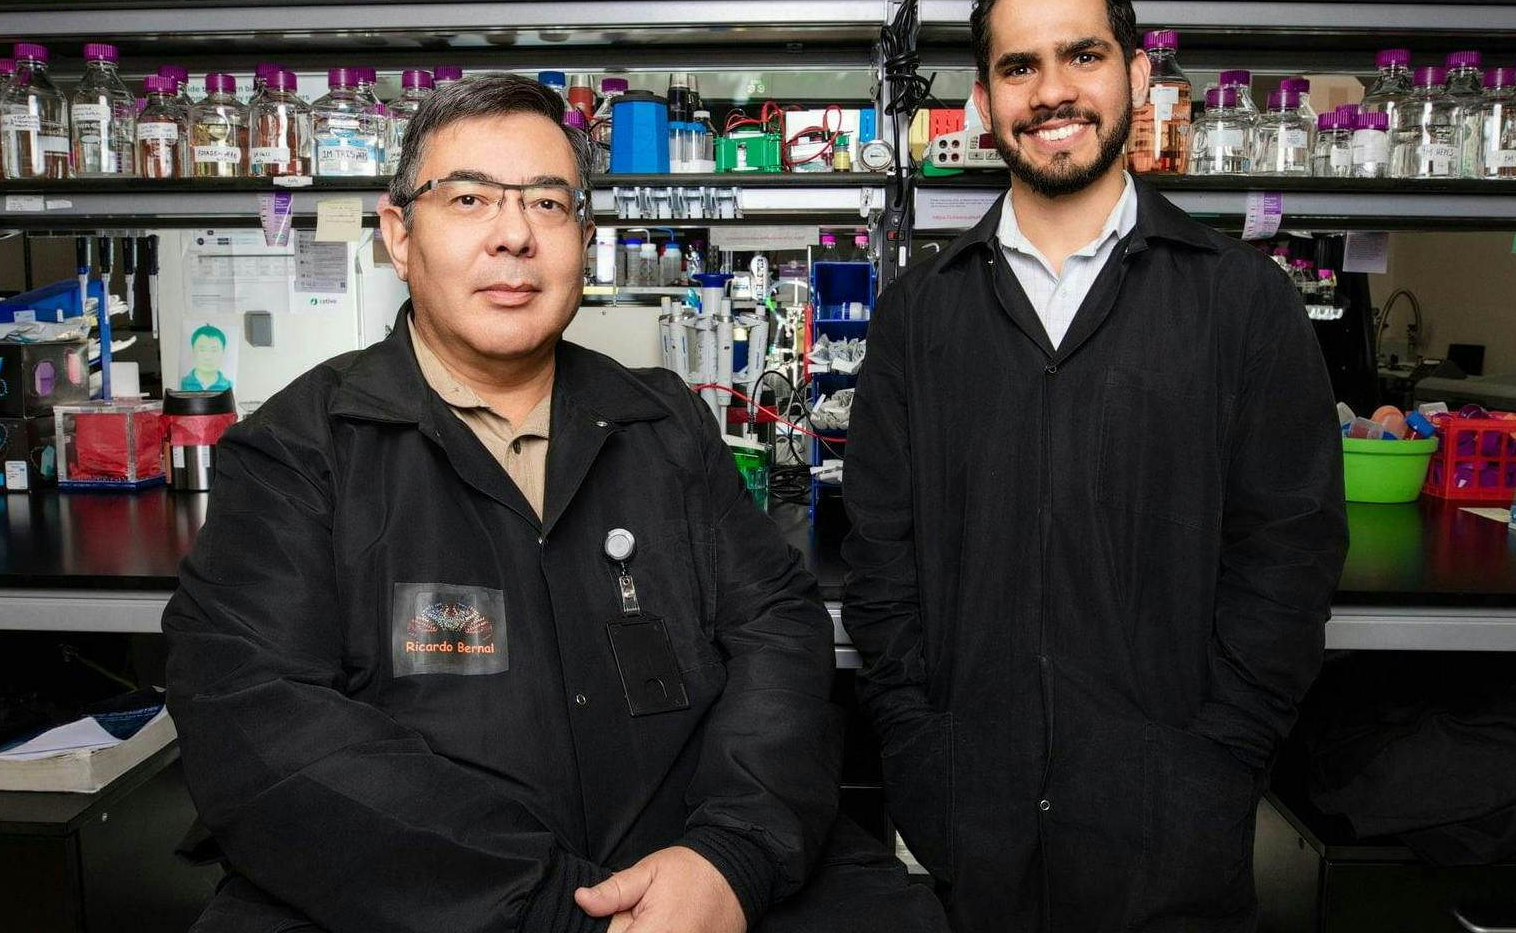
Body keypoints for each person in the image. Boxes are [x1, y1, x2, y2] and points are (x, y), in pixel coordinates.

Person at [165, 74, 944, 933]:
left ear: (585, 236)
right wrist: (550, 911)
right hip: (423, 905)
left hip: (692, 872)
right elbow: (259, 723)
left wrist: (731, 856)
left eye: (546, 203)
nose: (513, 237)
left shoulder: (662, 423)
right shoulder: (300, 452)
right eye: (467, 198)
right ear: (398, 233)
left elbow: (778, 635)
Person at [841, 0, 1348, 932]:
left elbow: (1285, 557)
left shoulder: (1238, 303)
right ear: (982, 103)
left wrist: (1219, 755)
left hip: (1172, 835)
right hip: (971, 831)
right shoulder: (920, 316)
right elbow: (879, 556)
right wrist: (916, 745)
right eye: (1017, 66)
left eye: (1081, 55)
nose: (1051, 91)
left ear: (1136, 74)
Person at [180, 323, 232, 391]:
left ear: (223, 352)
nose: (208, 357)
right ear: (193, 351)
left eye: (214, 350)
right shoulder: (182, 383)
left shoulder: (228, 386)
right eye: (202, 350)